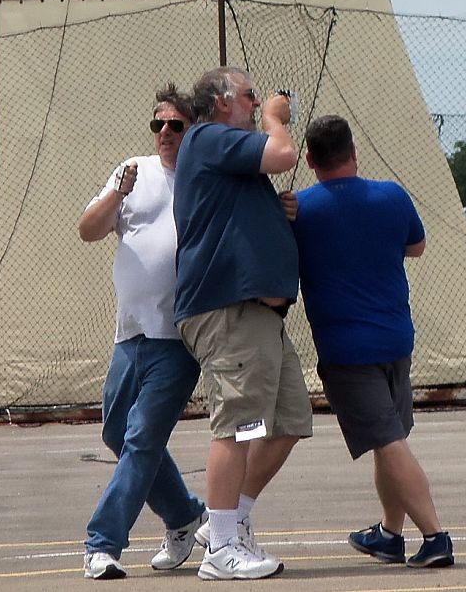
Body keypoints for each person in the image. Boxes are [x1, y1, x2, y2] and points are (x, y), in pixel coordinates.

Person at [291, 115, 454, 569]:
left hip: (347, 349)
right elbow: (416, 246)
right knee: (390, 438)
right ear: (353, 152)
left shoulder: (300, 209)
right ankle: (390, 533)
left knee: (389, 442)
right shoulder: (392, 196)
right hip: (396, 339)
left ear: (310, 160)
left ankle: (435, 536)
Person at [173, 67, 313, 581]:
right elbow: (283, 154)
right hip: (229, 311)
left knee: (289, 419)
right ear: (222, 101)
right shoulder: (208, 137)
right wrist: (277, 118)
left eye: (260, 101)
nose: (257, 104)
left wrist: (275, 210)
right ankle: (221, 548)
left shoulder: (227, 155)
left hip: (262, 317)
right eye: (251, 96)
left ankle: (232, 520)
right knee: (235, 426)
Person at [79, 84, 207, 581]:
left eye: (176, 125)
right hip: (130, 335)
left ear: (192, 130)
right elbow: (89, 230)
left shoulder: (203, 179)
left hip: (178, 339)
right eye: (159, 124)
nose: (165, 133)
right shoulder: (132, 171)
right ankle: (184, 515)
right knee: (117, 433)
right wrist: (118, 192)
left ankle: (102, 543)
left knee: (142, 438)